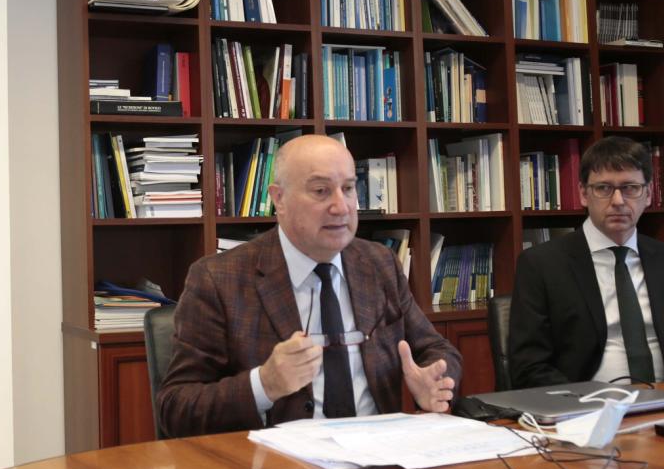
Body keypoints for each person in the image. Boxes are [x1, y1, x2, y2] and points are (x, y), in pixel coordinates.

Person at [158, 134, 461, 437]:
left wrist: (435, 382)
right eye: (321, 191)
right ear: (279, 199)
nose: (341, 207)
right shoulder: (218, 279)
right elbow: (175, 407)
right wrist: (264, 384)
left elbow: (436, 350)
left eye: (348, 189)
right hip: (273, 460)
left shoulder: (379, 264)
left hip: (376, 451)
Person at [508, 136, 664, 389]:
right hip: (585, 405)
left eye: (630, 188)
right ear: (583, 194)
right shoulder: (541, 265)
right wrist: (587, 402)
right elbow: (528, 367)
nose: (618, 201)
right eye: (603, 188)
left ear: (648, 194)